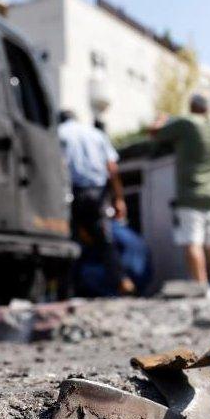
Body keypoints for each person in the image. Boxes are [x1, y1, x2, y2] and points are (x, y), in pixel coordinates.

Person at [150, 95, 210, 296]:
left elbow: (154, 133)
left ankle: (201, 289)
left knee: (193, 242)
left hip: (190, 194)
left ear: (191, 107)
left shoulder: (186, 124)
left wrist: (162, 118)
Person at [58, 110, 134, 295]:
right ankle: (122, 281)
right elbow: (112, 169)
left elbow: (59, 165)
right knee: (105, 241)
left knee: (70, 241)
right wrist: (119, 199)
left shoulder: (59, 133)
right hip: (97, 194)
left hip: (72, 193)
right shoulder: (96, 135)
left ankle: (66, 290)